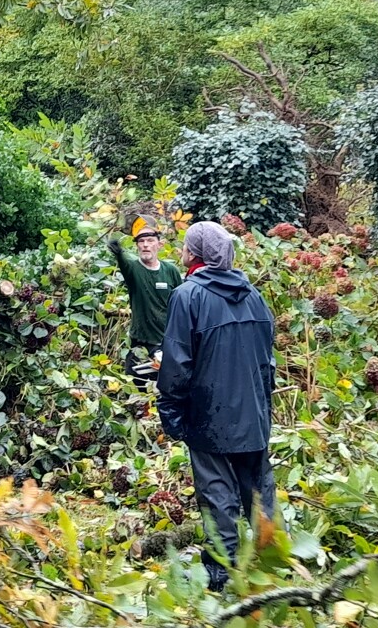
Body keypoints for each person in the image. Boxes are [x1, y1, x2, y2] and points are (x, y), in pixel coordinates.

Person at [155, 220, 278, 590]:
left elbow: (177, 362)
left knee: (217, 492)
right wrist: (262, 407)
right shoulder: (254, 295)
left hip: (209, 415)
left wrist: (171, 409)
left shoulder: (188, 296)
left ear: (193, 254)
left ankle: (221, 573)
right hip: (253, 413)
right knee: (258, 489)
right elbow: (268, 362)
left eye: (185, 247)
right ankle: (270, 561)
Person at [104, 215, 183, 391]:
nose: (145, 244)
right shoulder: (133, 269)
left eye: (149, 240)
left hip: (167, 343)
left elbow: (182, 304)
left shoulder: (170, 271)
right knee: (136, 390)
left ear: (159, 244)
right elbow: (124, 264)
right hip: (140, 342)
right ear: (137, 245)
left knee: (165, 391)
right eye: (141, 241)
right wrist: (118, 253)